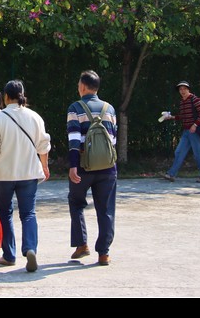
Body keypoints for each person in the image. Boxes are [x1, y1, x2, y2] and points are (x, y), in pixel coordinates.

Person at [0, 80, 51, 272]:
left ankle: (9, 255)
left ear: (6, 97)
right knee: (28, 213)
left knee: (4, 213)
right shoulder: (35, 117)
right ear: (22, 95)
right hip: (29, 173)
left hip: (3, 175)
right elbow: (43, 145)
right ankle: (30, 248)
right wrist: (44, 166)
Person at [66, 70, 117, 266]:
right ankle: (104, 253)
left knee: (76, 202)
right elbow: (112, 140)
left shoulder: (75, 108)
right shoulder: (109, 109)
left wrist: (73, 166)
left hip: (83, 167)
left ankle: (82, 244)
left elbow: (74, 140)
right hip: (108, 168)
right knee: (106, 209)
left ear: (82, 86)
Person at [161, 81, 200, 183]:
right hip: (186, 131)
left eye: (184, 89)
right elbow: (182, 116)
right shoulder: (182, 102)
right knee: (179, 152)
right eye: (180, 89)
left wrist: (195, 125)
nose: (182, 91)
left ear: (188, 89)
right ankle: (171, 174)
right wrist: (171, 117)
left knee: (198, 153)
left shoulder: (194, 99)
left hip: (194, 131)